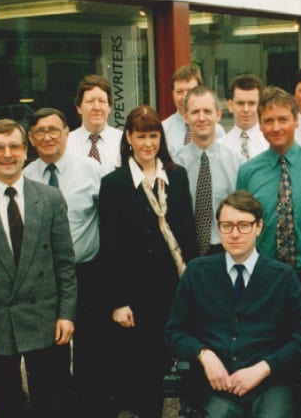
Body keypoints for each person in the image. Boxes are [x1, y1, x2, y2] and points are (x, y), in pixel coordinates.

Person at [0, 119, 77, 417]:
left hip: (46, 318)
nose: (7, 154)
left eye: (14, 146)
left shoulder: (49, 199)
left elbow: (65, 264)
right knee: (5, 404)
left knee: (53, 402)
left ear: (26, 151)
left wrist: (66, 314)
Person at [166, 191, 301, 417]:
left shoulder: (283, 277)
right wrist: (204, 354)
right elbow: (175, 333)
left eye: (244, 225)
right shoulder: (197, 272)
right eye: (227, 226)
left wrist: (265, 368)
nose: (235, 234)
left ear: (259, 227)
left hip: (271, 385)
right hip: (215, 386)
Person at [236, 86, 301, 415]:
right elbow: (244, 224)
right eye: (268, 120)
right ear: (260, 124)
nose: (276, 126)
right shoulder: (249, 171)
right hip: (267, 277)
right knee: (274, 346)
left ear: (296, 120)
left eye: (283, 118)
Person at [99, 105, 197, 417]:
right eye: (141, 136)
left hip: (173, 287)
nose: (148, 143)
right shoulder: (114, 184)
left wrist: (193, 288)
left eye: (153, 136)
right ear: (128, 137)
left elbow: (188, 235)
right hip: (136, 294)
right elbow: (110, 247)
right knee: (143, 370)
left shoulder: (176, 177)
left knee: (176, 359)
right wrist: (118, 301)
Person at [23, 107, 108, 414]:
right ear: (31, 139)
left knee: (90, 349)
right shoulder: (25, 176)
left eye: (53, 130)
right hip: (44, 278)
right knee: (50, 353)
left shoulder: (91, 170)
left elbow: (107, 220)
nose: (47, 137)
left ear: (67, 133)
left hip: (87, 272)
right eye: (40, 132)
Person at [174, 86, 241, 255]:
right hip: (186, 251)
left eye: (207, 111)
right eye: (195, 112)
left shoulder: (236, 163)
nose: (202, 118)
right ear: (186, 117)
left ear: (218, 115)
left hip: (225, 250)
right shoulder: (175, 164)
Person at [163, 65, 225, 157]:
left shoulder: (217, 130)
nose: (184, 97)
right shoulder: (163, 129)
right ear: (172, 93)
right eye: (179, 92)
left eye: (190, 91)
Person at [68, 74, 123, 173]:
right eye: (90, 101)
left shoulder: (123, 142)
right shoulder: (67, 144)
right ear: (79, 107)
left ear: (109, 107)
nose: (97, 107)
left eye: (102, 101)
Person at [220, 74, 268, 161]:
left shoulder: (271, 144)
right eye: (240, 103)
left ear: (260, 106)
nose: (246, 109)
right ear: (230, 106)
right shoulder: (220, 146)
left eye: (251, 103)